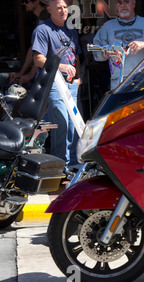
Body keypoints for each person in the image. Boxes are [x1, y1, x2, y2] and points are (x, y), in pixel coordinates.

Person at [32, 0, 81, 176]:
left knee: (74, 126)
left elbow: (76, 57)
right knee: (62, 123)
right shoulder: (42, 30)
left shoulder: (71, 30)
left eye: (65, 7)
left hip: (71, 84)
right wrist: (61, 67)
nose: (63, 11)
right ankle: (59, 166)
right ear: (49, 9)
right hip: (54, 83)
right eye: (59, 8)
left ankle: (72, 164)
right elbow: (38, 59)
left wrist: (79, 78)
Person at [92, 0, 144, 90]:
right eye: (119, 2)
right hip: (119, 82)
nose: (123, 5)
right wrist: (108, 53)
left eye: (127, 2)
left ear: (134, 4)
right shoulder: (107, 27)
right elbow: (96, 54)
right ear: (116, 6)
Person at [10, 0, 50, 85]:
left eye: (27, 1)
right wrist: (21, 73)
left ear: (37, 1)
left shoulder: (48, 19)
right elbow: (33, 47)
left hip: (53, 71)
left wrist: (30, 75)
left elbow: (43, 51)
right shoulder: (39, 19)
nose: (24, 3)